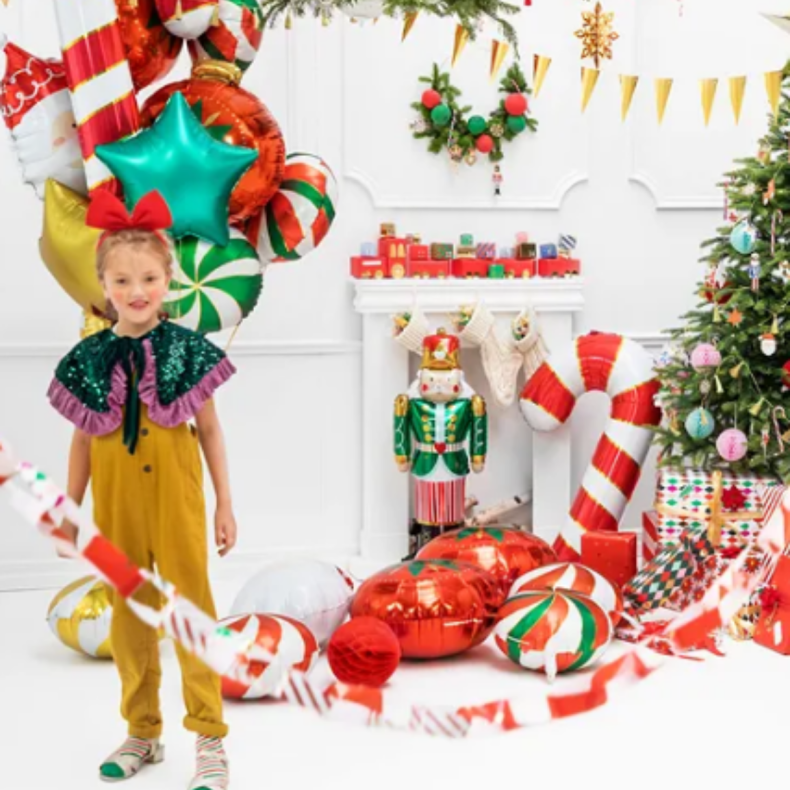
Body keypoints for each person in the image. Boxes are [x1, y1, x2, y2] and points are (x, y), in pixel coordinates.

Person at [47, 190, 237, 790]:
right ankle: (142, 730)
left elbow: (208, 428)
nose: (137, 290)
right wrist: (70, 510)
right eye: (123, 279)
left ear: (167, 280)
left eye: (149, 278)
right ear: (103, 284)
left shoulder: (185, 349)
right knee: (130, 616)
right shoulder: (90, 357)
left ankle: (209, 736)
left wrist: (224, 504)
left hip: (176, 493)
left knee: (189, 610)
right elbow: (81, 441)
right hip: (117, 497)